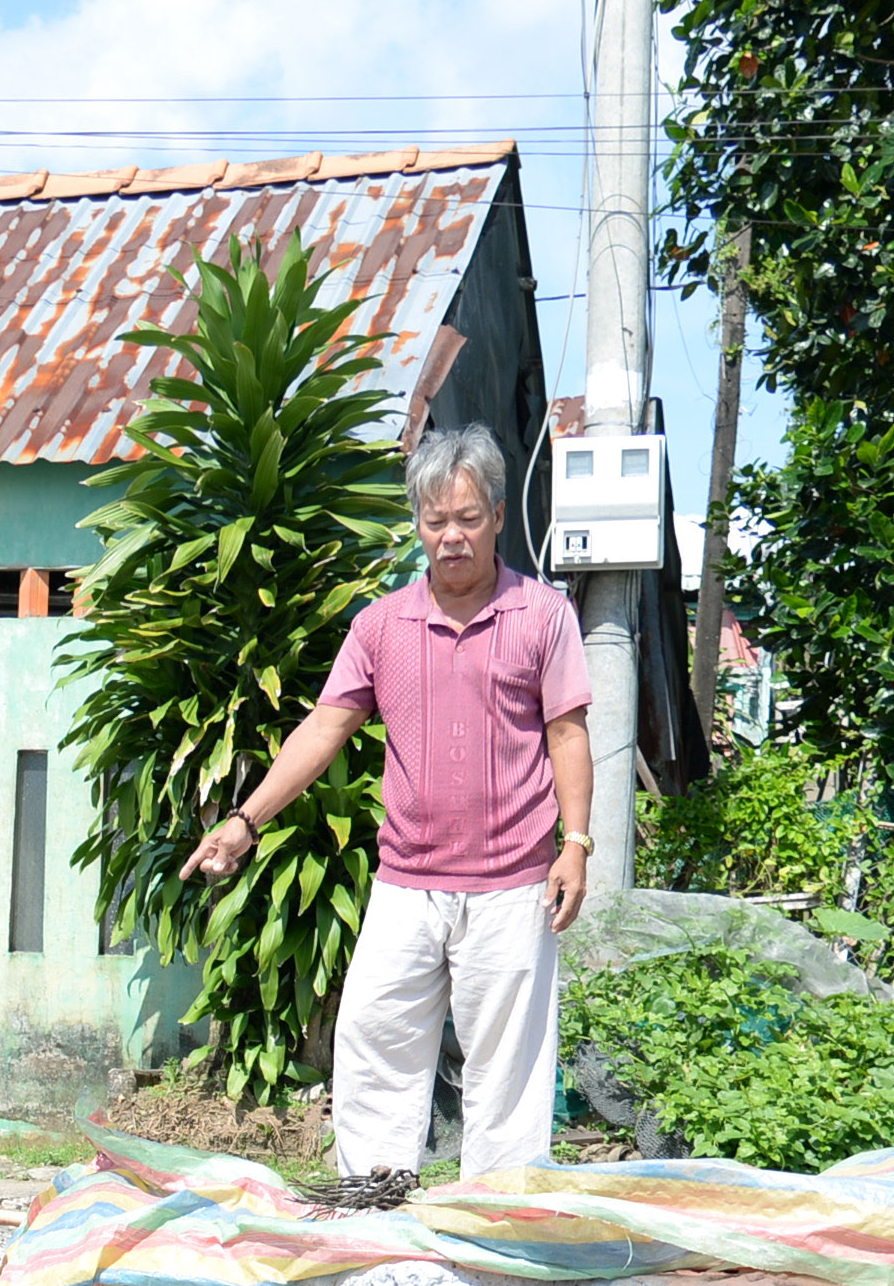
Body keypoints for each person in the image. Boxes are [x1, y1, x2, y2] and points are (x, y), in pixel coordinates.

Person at [186, 422, 594, 1201]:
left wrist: (575, 843)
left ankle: (497, 1221)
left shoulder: (544, 617)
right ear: (417, 524)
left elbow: (568, 733)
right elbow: (325, 726)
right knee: (373, 1040)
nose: (452, 538)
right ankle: (373, 1208)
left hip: (513, 885)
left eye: (468, 519)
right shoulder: (380, 625)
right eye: (435, 521)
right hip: (407, 884)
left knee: (507, 1068)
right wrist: (245, 819)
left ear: (500, 517)